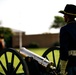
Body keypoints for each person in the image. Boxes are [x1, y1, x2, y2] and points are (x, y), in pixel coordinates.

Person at [59, 4, 76, 75]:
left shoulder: (64, 29)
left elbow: (64, 49)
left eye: (64, 15)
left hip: (71, 64)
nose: (63, 16)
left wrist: (62, 69)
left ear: (67, 16)